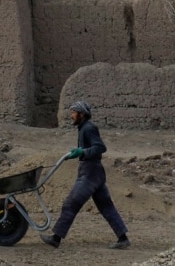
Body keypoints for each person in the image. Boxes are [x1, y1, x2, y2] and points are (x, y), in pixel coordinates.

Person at [40, 100, 131, 250]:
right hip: (94, 173)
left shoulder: (89, 128)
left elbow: (100, 147)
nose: (71, 115)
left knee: (71, 204)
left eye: (74, 112)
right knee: (106, 206)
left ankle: (56, 238)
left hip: (89, 174)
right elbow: (90, 148)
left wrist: (82, 152)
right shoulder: (83, 128)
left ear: (82, 114)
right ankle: (123, 238)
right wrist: (77, 152)